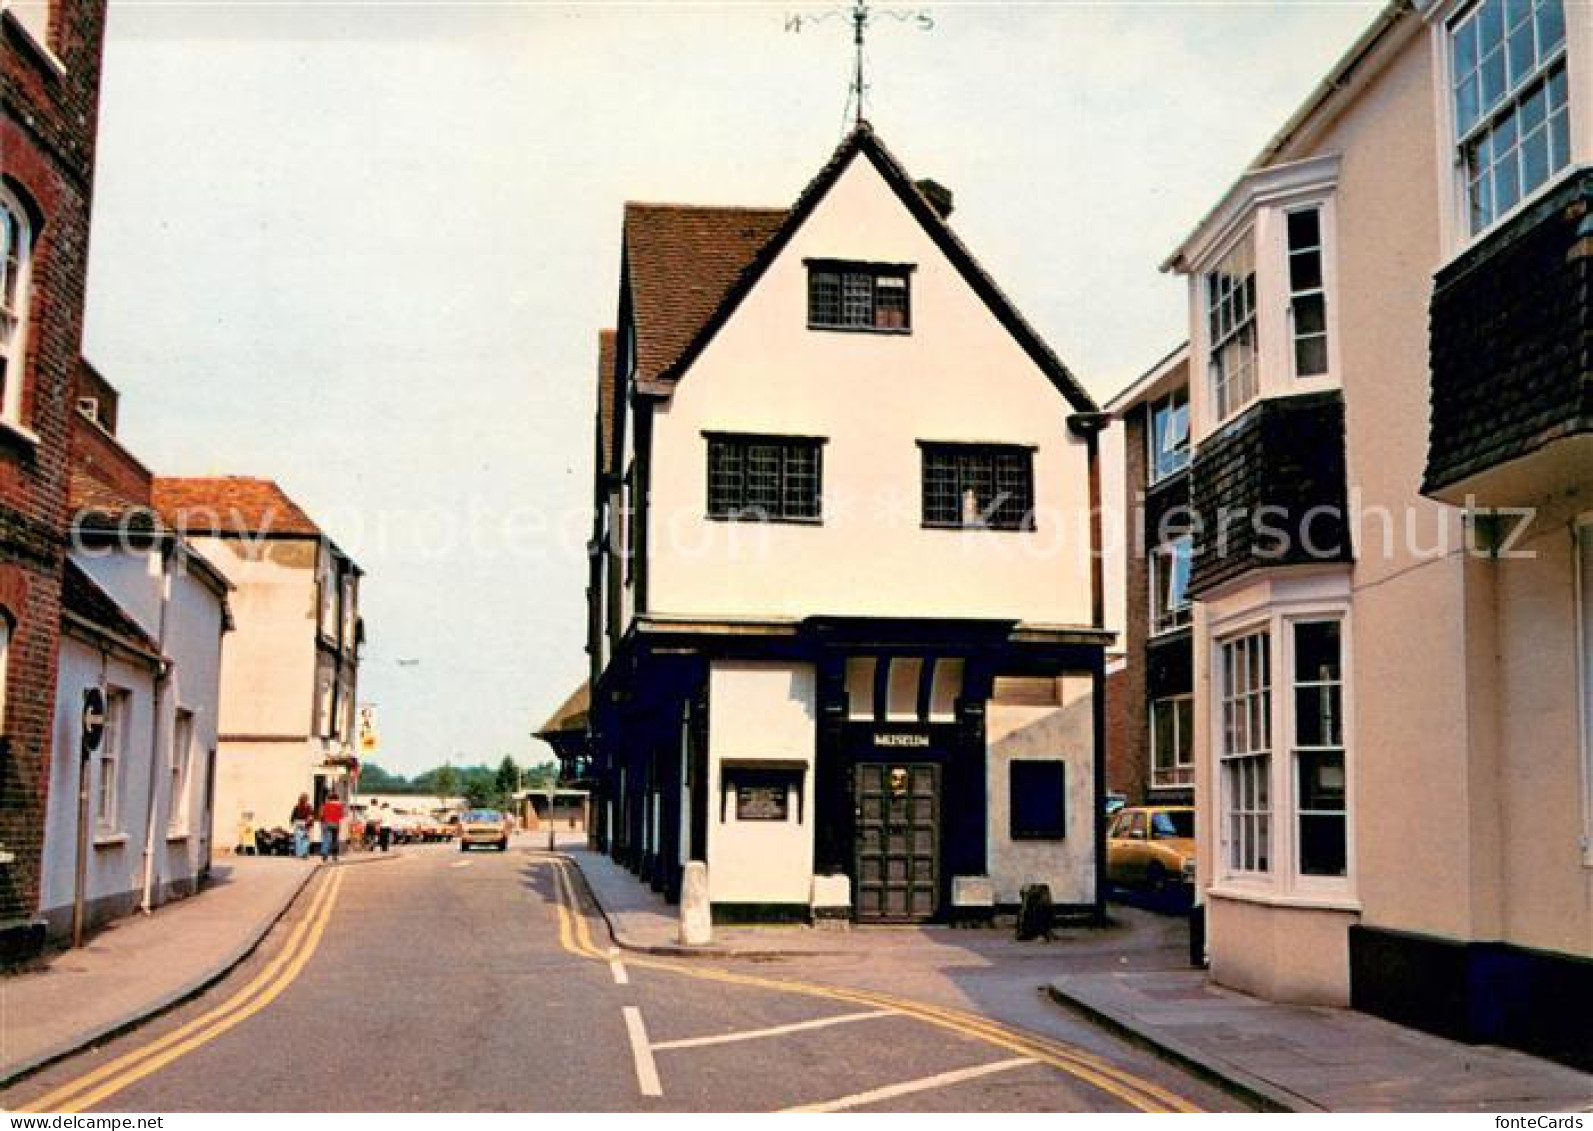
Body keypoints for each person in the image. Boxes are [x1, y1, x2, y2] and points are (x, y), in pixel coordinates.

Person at [319, 792, 345, 863]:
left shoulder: (325, 805)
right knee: (334, 840)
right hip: (336, 824)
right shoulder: (340, 806)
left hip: (326, 823)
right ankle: (334, 855)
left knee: (326, 839)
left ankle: (324, 854)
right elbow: (341, 816)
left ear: (329, 798)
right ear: (337, 798)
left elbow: (322, 815)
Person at [290, 794, 314, 859]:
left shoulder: (297, 806)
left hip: (297, 823)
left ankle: (299, 854)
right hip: (305, 823)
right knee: (305, 839)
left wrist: (292, 822)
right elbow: (310, 817)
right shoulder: (309, 807)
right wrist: (311, 824)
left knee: (298, 839)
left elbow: (293, 816)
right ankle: (304, 852)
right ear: (307, 799)